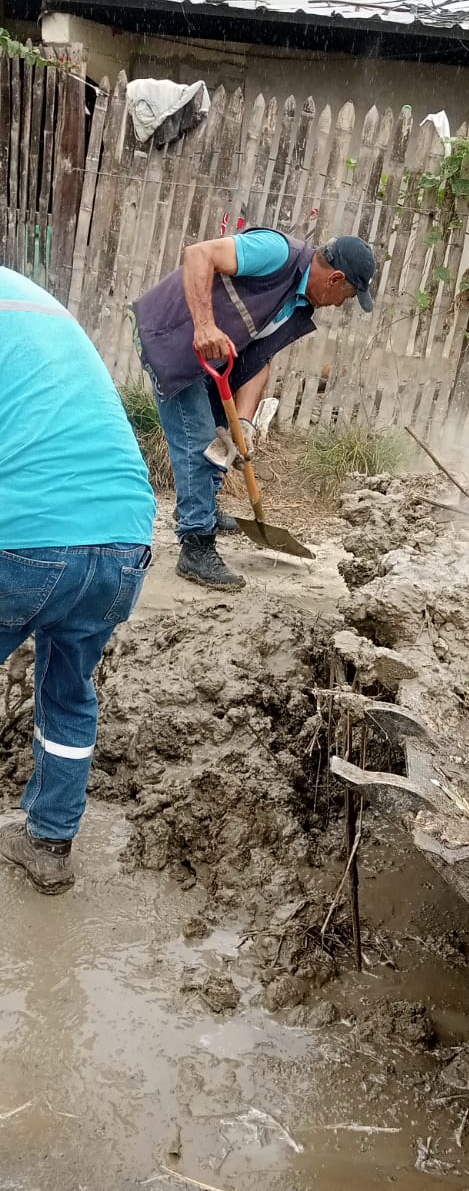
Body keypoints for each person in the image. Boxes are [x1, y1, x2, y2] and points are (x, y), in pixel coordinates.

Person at [0, 267, 156, 895]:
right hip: (125, 541)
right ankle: (49, 846)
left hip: (30, 539)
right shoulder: (35, 305)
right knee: (69, 692)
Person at [131, 229, 375, 590]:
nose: (341, 305)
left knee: (223, 442)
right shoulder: (277, 253)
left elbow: (260, 360)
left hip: (210, 360)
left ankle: (200, 507)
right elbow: (198, 254)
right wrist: (204, 326)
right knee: (199, 443)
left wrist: (243, 422)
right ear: (336, 279)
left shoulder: (299, 304)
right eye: (348, 296)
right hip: (171, 338)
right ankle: (196, 546)